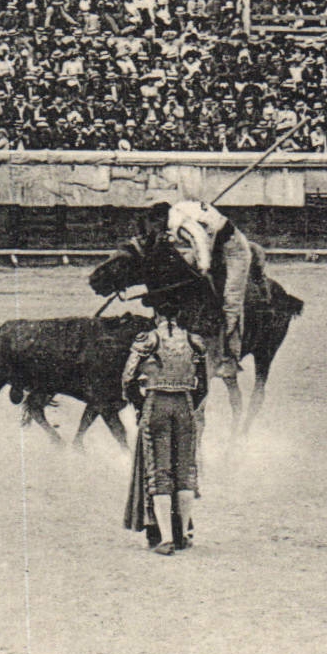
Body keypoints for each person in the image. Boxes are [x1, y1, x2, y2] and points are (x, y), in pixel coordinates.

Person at [122, 304, 209, 555]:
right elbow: (202, 385)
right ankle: (182, 535)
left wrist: (141, 406)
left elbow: (127, 379)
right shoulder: (194, 342)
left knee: (159, 471)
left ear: (157, 316)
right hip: (185, 405)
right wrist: (191, 403)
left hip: (156, 404)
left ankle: (167, 539)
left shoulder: (147, 340)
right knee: (185, 471)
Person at [153, 198, 257, 377]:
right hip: (212, 246)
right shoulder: (179, 210)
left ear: (161, 218)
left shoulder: (179, 222)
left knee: (231, 300)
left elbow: (200, 240)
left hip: (234, 251)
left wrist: (203, 268)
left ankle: (230, 357)